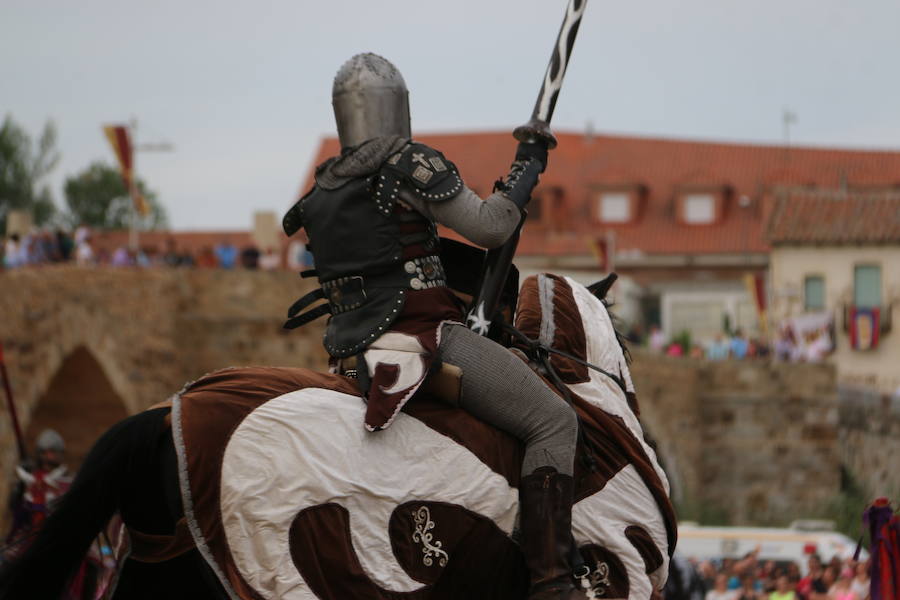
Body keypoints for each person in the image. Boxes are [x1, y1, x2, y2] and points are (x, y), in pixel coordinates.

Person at [283, 53, 585, 599]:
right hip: (424, 340)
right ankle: (552, 580)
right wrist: (526, 170)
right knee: (554, 421)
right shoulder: (407, 165)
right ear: (398, 108)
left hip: (348, 357)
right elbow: (490, 229)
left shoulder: (323, 188)